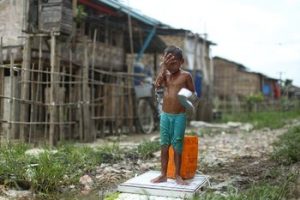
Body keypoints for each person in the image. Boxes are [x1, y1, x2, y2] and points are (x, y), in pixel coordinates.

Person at [151, 45, 195, 185]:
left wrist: (185, 99)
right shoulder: (165, 74)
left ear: (181, 61)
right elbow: (157, 86)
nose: (171, 66)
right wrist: (163, 69)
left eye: (174, 62)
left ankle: (177, 175)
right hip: (165, 115)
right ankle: (163, 174)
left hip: (179, 116)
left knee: (177, 145)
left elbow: (193, 94)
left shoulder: (186, 76)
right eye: (168, 62)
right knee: (164, 145)